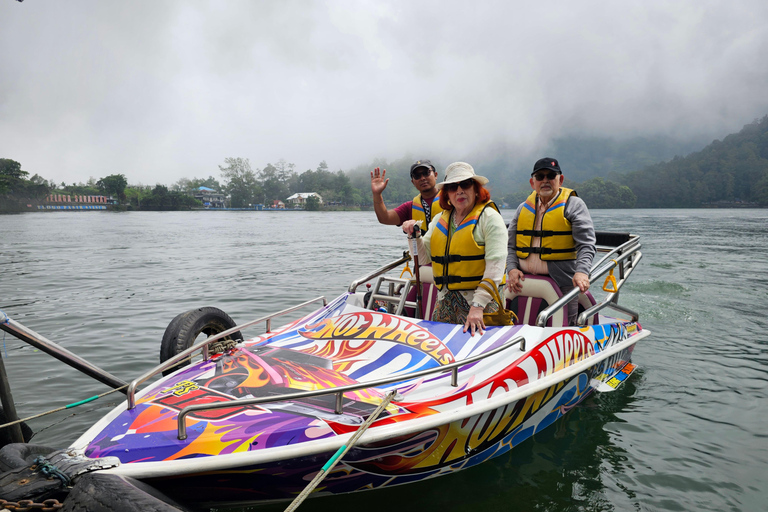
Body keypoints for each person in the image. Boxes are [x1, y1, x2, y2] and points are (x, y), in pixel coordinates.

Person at [402, 162, 508, 336]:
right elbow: (423, 258)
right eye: (452, 187)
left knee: (477, 358)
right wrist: (413, 235)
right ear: (447, 194)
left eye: (465, 184)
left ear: (476, 189)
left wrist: (477, 307)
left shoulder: (490, 218)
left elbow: (495, 270)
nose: (459, 191)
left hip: (483, 305)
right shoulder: (438, 220)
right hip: (445, 302)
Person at [506, 157, 596, 325]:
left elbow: (586, 244)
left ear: (560, 180)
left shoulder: (574, 205)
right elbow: (510, 245)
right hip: (522, 282)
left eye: (551, 176)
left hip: (562, 281)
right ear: (533, 183)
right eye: (540, 177)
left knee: (564, 330)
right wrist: (511, 268)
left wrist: (582, 272)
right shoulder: (522, 208)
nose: (545, 180)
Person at [371, 159, 443, 235]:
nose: (422, 178)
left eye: (426, 173)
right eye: (417, 176)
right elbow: (384, 218)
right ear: (413, 182)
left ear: (435, 175)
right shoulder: (409, 207)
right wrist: (377, 194)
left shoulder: (451, 199)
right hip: (421, 246)